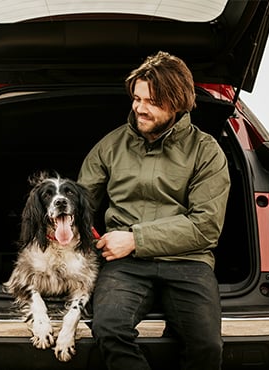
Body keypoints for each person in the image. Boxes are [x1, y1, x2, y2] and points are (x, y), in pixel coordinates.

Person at [78, 51, 230, 369]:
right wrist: (79, 234)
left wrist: (135, 238)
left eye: (151, 102)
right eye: (136, 98)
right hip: (125, 265)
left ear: (177, 103)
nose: (139, 108)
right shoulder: (111, 145)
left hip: (188, 262)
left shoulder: (206, 152)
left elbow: (205, 226)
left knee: (207, 346)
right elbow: (81, 204)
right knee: (108, 330)